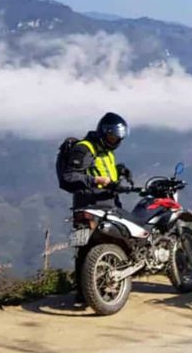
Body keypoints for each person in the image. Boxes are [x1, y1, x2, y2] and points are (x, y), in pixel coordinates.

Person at [61, 112, 132, 306]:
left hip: (109, 204)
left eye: (118, 138)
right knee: (86, 251)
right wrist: (96, 181)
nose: (115, 140)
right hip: (89, 206)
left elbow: (102, 171)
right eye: (112, 136)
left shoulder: (105, 151)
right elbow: (69, 177)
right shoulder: (84, 149)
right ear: (103, 132)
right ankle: (84, 294)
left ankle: (100, 290)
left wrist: (119, 171)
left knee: (112, 246)